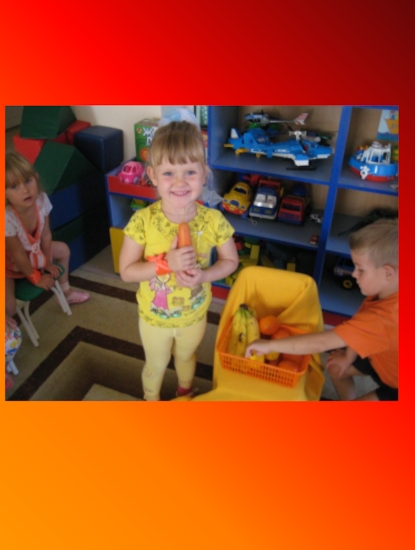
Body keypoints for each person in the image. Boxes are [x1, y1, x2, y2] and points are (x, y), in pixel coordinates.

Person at [119, 120, 238, 400]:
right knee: (157, 363)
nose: (180, 182)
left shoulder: (213, 220)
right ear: (153, 175)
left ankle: (185, 392)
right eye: (169, 172)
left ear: (204, 173)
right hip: (154, 317)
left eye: (190, 172)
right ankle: (152, 401)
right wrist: (166, 264)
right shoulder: (142, 221)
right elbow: (126, 271)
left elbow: (230, 261)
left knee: (186, 356)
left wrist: (205, 275)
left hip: (194, 313)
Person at [247, 219, 398, 401]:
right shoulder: (386, 291)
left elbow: (322, 342)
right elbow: (358, 329)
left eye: (361, 270)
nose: (353, 274)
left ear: (388, 273)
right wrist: (348, 358)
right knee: (336, 367)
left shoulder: (384, 318)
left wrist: (269, 346)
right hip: (381, 358)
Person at [5, 152, 89, 320]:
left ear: (36, 178)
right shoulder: (6, 217)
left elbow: (46, 234)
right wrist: (36, 278)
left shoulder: (42, 200)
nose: (25, 190)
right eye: (14, 186)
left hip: (31, 255)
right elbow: (18, 254)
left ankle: (66, 292)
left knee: (63, 250)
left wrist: (47, 261)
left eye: (27, 181)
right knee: (9, 308)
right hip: (8, 265)